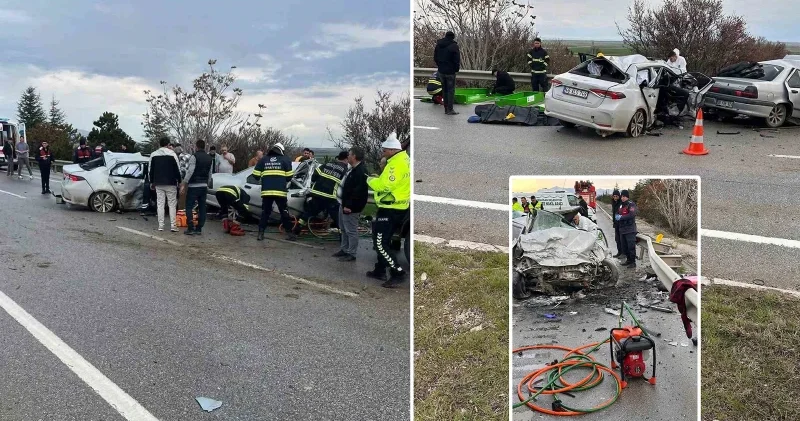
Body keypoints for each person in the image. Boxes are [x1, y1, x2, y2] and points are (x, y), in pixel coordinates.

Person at [366, 132, 410, 288]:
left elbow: (384, 185)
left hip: (390, 208)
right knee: (384, 240)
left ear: (392, 150)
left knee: (380, 243)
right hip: (398, 207)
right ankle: (380, 269)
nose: (383, 153)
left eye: (384, 150)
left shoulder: (395, 164)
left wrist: (370, 179)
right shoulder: (405, 159)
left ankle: (398, 272)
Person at [293, 151, 348, 236]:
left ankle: (296, 230)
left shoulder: (327, 164)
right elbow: (345, 185)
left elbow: (314, 175)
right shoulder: (345, 169)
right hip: (330, 196)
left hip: (316, 193)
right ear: (346, 159)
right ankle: (342, 237)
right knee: (337, 217)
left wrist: (314, 185)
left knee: (309, 213)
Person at [253, 142, 296, 241]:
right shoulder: (285, 159)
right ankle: (290, 234)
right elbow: (289, 177)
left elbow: (255, 175)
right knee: (284, 212)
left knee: (265, 212)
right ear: (281, 150)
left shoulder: (263, 159)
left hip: (266, 192)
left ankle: (260, 234)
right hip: (280, 192)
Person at [334, 148, 369, 262]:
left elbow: (358, 192)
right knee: (343, 229)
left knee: (351, 230)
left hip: (351, 207)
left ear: (354, 156)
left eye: (349, 155)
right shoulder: (352, 169)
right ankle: (344, 249)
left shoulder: (360, 171)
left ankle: (351, 253)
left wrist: (349, 205)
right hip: (342, 203)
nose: (347, 156)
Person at [148, 136, 182, 232]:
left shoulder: (153, 155)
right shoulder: (172, 154)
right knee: (172, 204)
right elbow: (177, 169)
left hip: (158, 182)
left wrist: (151, 182)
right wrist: (179, 181)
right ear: (168, 144)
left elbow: (150, 170)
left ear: (159, 144)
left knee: (160, 204)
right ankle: (173, 225)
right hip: (171, 183)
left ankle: (161, 225)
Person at [181, 139, 213, 235]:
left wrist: (184, 182)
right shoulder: (209, 158)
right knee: (202, 207)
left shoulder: (194, 157)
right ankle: (199, 228)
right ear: (204, 147)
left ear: (196, 146)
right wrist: (207, 183)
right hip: (204, 186)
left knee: (189, 206)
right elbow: (210, 173)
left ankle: (190, 227)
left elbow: (190, 171)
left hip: (194, 186)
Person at [434, 31, 461, 115]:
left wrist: (440, 66)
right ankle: (450, 109)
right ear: (453, 37)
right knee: (450, 90)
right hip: (450, 72)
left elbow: (435, 57)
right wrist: (455, 69)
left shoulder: (438, 45)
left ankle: (446, 108)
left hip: (441, 71)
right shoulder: (454, 46)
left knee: (444, 90)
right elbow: (457, 60)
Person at [614, 190, 638, 268]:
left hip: (630, 229)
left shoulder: (631, 205)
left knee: (631, 246)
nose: (623, 198)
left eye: (624, 196)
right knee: (624, 247)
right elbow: (617, 212)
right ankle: (628, 260)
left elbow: (632, 214)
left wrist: (621, 217)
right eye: (622, 196)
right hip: (622, 230)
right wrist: (616, 216)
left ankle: (632, 262)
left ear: (627, 197)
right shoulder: (621, 205)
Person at [611, 189, 624, 258]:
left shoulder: (621, 204)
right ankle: (619, 252)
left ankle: (623, 253)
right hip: (616, 224)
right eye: (614, 196)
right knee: (617, 239)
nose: (615, 198)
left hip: (621, 224)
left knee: (621, 239)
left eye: (616, 196)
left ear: (619, 196)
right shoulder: (614, 203)